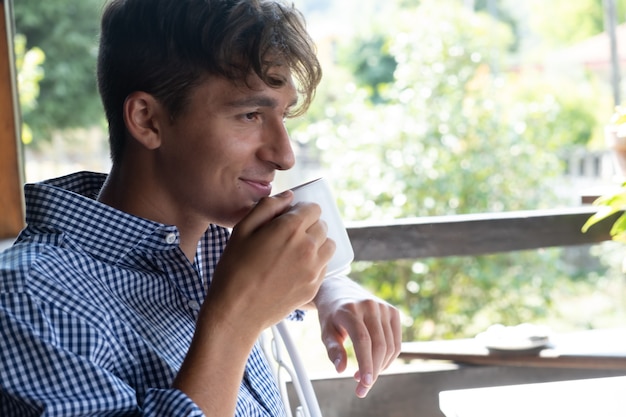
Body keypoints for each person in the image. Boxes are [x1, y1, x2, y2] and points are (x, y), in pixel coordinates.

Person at [0, 0, 402, 415]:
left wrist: (331, 288)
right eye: (249, 115)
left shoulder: (208, 250)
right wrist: (232, 325)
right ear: (147, 120)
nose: (285, 155)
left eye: (282, 115)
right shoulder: (28, 302)